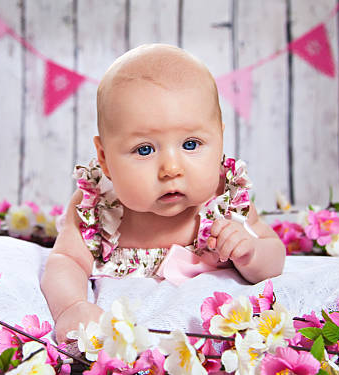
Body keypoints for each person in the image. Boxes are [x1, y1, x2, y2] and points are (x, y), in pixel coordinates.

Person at [41, 44, 286, 343]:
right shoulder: (97, 208)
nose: (171, 168)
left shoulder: (225, 201)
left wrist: (251, 252)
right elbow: (64, 261)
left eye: (191, 144)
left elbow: (275, 256)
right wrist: (72, 306)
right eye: (144, 149)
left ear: (220, 140)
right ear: (104, 159)